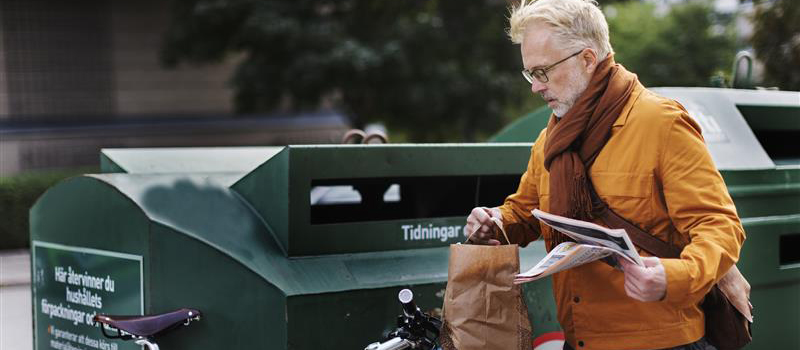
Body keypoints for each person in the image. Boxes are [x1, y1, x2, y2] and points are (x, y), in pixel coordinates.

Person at [464, 0, 745, 349]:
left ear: (587, 58)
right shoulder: (550, 139)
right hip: (579, 340)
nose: (535, 87)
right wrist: (495, 222)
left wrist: (672, 277)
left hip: (662, 342)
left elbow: (720, 226)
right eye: (530, 74)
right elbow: (524, 212)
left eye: (543, 72)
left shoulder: (662, 123)